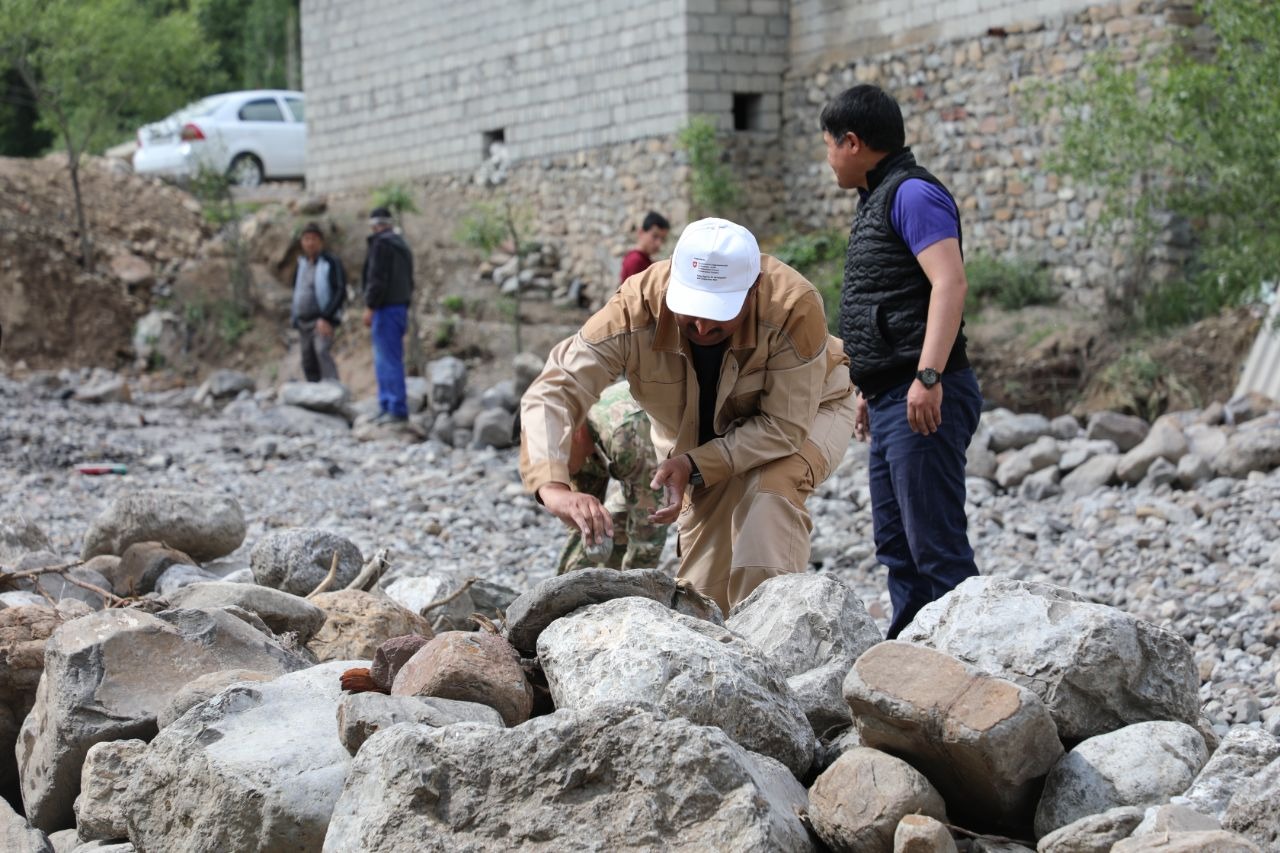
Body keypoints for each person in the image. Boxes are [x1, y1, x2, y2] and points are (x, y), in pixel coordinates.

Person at [521, 217, 857, 616]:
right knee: (701, 599)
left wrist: (694, 463)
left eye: (718, 314)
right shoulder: (636, 306)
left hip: (808, 413)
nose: (700, 325)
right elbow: (556, 389)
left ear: (753, 290)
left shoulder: (793, 307)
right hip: (699, 446)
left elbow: (782, 427)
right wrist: (553, 487)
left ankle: (777, 649)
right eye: (690, 310)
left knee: (768, 500)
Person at [821, 84, 983, 639]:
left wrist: (928, 376)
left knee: (936, 549)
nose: (828, 158)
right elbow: (885, 298)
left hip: (925, 396)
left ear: (853, 141)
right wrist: (869, 387)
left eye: (829, 145)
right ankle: (910, 666)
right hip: (893, 398)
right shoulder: (876, 198)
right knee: (898, 547)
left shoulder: (911, 194)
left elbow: (949, 282)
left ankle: (971, 663)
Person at [554, 381, 667, 574]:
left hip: (706, 456)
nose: (554, 470)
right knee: (605, 524)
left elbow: (649, 530)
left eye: (555, 457)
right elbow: (582, 525)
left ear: (574, 435)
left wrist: (633, 592)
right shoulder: (581, 442)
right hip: (644, 469)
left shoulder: (624, 435)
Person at [361, 206, 414, 425]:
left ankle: (394, 408)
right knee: (391, 357)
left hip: (385, 308)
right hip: (399, 307)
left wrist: (370, 306)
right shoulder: (402, 246)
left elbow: (377, 279)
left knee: (386, 359)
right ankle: (387, 406)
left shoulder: (381, 245)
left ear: (375, 226)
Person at [290, 222, 347, 383]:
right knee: (308, 360)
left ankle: (334, 390)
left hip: (322, 319)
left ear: (320, 241)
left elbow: (340, 290)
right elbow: (296, 290)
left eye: (314, 239)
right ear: (302, 242)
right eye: (306, 239)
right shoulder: (301, 264)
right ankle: (314, 395)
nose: (310, 243)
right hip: (303, 321)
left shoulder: (330, 262)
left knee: (322, 351)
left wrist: (327, 317)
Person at [619, 211, 670, 282]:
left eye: (662, 239)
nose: (659, 243)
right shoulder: (635, 261)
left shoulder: (646, 260)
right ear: (641, 232)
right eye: (655, 236)